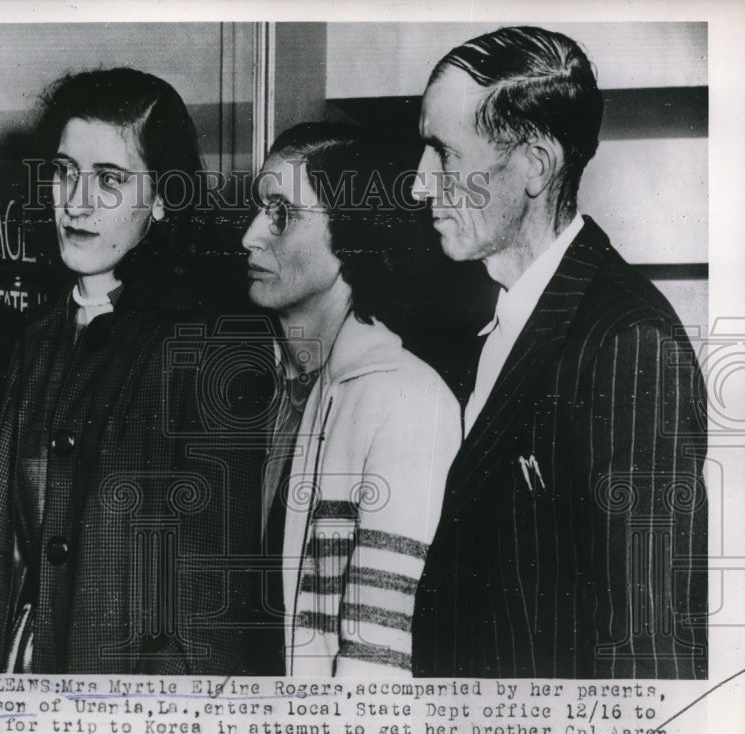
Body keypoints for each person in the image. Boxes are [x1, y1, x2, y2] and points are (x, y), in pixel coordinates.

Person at [410, 26, 708, 678]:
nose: (420, 186)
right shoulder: (488, 323)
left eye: (443, 155)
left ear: (536, 165)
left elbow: (649, 652)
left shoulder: (628, 343)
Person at [0, 68, 268, 674]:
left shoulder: (210, 345)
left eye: (109, 180)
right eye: (64, 172)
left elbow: (214, 607)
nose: (76, 202)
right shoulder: (34, 343)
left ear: (164, 197)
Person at [242, 122, 461, 677]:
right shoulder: (247, 385)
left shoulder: (407, 400)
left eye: (281, 213)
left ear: (350, 233)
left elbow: (376, 665)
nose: (249, 235)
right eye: (257, 208)